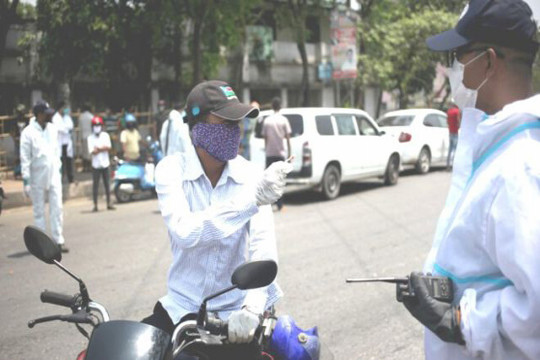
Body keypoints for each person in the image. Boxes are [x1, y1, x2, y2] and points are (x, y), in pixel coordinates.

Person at [400, 1, 540, 359]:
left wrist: (461, 322)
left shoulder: (521, 166)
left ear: (489, 61)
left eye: (458, 56)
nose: (452, 69)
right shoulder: (499, 143)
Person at [142, 80, 292, 358]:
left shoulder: (250, 176)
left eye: (238, 123)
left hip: (234, 317)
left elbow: (263, 250)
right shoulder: (171, 171)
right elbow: (185, 233)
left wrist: (252, 309)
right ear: (197, 126)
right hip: (181, 309)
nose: (235, 131)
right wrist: (251, 201)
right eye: (226, 122)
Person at [20, 101, 68, 253]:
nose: (50, 115)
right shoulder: (28, 133)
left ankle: (58, 240)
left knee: (57, 208)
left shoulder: (52, 129)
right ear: (39, 114)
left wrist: (59, 169)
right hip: (37, 177)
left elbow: (56, 152)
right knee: (39, 211)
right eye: (47, 113)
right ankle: (42, 245)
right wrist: (26, 180)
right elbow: (25, 158)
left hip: (54, 174)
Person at [262, 97, 291, 211]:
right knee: (279, 180)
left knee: (269, 180)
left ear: (272, 106)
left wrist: (266, 150)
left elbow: (265, 138)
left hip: (269, 154)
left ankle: (268, 205)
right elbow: (288, 138)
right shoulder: (284, 120)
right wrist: (289, 153)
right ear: (280, 106)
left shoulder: (267, 121)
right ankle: (280, 205)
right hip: (280, 153)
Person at [87, 116, 115, 212]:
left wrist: (99, 149)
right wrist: (101, 148)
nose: (97, 127)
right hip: (96, 165)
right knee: (95, 186)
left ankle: (109, 203)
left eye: (98, 125)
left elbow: (108, 147)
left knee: (107, 185)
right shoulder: (90, 138)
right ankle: (95, 205)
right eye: (95, 125)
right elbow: (92, 151)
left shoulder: (105, 136)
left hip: (105, 164)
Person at [52, 101, 75, 183]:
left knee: (69, 161)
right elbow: (60, 128)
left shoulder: (67, 117)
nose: (65, 109)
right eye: (64, 108)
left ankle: (70, 178)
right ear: (60, 108)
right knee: (60, 161)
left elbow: (71, 126)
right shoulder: (55, 118)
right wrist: (66, 129)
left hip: (67, 142)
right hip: (59, 142)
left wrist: (65, 129)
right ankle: (60, 179)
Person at [79, 104, 94, 171]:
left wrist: (80, 138)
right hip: (90, 135)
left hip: (83, 136)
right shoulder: (91, 116)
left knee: (84, 153)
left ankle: (85, 168)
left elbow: (80, 128)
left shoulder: (81, 117)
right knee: (90, 152)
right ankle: (90, 167)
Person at [446, 103, 460, 170]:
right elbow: (458, 120)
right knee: (455, 150)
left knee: (450, 149)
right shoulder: (457, 111)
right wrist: (458, 126)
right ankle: (453, 165)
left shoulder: (449, 111)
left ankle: (448, 165)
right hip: (455, 132)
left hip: (450, 132)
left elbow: (447, 122)